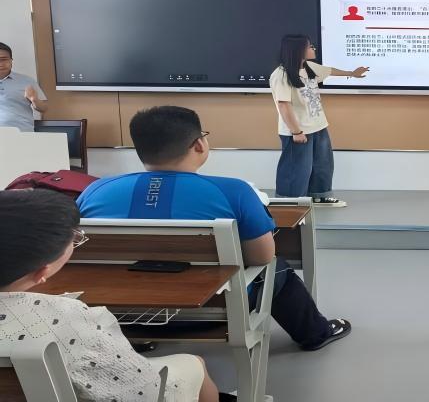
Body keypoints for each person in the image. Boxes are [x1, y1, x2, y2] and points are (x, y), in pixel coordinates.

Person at [76, 106, 350, 351]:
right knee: (277, 267)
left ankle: (138, 340)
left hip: (118, 315)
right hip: (210, 313)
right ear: (199, 144)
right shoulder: (234, 192)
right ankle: (316, 334)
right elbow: (261, 257)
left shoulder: (96, 190)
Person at [0, 189, 220, 402]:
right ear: (42, 271)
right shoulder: (69, 317)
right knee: (194, 364)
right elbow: (142, 391)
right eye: (73, 239)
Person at [270, 35, 369, 206]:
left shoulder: (308, 67)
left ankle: (319, 195)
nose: (313, 49)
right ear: (298, 50)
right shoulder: (281, 74)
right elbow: (284, 105)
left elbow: (329, 70)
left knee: (322, 164)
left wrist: (352, 74)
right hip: (298, 130)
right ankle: (289, 202)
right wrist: (296, 132)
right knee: (297, 168)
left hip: (318, 126)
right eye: (310, 46)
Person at [0, 42, 48, 132]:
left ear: (11, 61)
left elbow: (44, 108)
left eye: (4, 59)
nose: (1, 64)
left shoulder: (27, 81)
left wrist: (34, 99)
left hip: (22, 132)